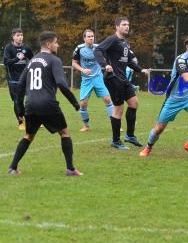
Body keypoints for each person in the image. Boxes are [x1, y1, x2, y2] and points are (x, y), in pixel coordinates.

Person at [8, 31, 83, 176]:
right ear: (48, 44)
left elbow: (20, 86)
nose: (58, 45)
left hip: (31, 105)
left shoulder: (31, 61)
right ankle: (71, 169)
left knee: (29, 135)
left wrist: (19, 108)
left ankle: (13, 168)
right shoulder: (55, 60)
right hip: (48, 104)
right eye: (56, 42)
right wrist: (75, 103)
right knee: (65, 133)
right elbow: (61, 83)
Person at [94, 17, 150, 150]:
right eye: (124, 24)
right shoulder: (112, 39)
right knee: (118, 108)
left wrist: (140, 70)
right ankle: (116, 141)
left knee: (134, 103)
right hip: (113, 78)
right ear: (117, 27)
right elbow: (97, 51)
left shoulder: (124, 42)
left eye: (128, 25)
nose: (127, 27)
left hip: (123, 78)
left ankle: (130, 136)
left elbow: (130, 61)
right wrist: (105, 65)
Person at [71, 28, 114, 131]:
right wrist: (82, 70)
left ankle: (115, 123)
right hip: (86, 79)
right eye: (89, 36)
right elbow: (73, 63)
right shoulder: (79, 49)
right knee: (83, 104)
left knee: (108, 99)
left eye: (92, 36)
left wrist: (107, 65)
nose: (91, 38)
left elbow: (105, 59)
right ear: (84, 38)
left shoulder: (98, 48)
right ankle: (86, 126)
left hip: (98, 77)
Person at [3, 28, 34, 130]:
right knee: (18, 101)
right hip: (13, 80)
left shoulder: (26, 48)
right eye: (18, 35)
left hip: (26, 78)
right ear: (13, 37)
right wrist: (18, 58)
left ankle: (33, 120)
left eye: (21, 35)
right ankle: (21, 122)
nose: (20, 37)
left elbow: (33, 60)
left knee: (32, 99)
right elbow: (6, 62)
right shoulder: (8, 48)